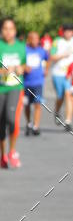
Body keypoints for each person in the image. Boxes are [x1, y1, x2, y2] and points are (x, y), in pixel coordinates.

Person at [0, 17, 27, 169]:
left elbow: (24, 65)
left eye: (11, 29)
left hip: (15, 88)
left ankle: (12, 151)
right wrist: (4, 71)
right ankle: (2, 155)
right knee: (1, 123)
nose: (8, 32)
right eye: (5, 28)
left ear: (15, 31)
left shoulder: (21, 47)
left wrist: (21, 69)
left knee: (12, 120)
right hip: (1, 88)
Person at [49, 24, 73, 129]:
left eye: (70, 31)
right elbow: (52, 56)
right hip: (58, 73)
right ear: (63, 32)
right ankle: (57, 111)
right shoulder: (57, 41)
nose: (68, 33)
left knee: (69, 94)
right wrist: (63, 55)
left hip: (70, 74)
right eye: (66, 31)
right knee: (60, 96)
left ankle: (68, 121)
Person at [24, 31, 48, 136]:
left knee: (38, 103)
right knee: (27, 104)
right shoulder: (24, 50)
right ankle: (29, 123)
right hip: (26, 82)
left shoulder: (41, 51)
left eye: (37, 38)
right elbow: (19, 63)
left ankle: (36, 126)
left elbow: (48, 58)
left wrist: (46, 69)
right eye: (33, 38)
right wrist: (24, 67)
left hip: (38, 82)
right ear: (29, 39)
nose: (35, 41)